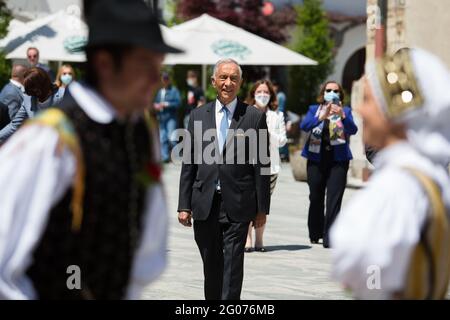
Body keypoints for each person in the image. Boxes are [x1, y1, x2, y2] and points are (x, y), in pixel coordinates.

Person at [0, 0, 182, 299]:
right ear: (105, 64)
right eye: (145, 65)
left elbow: (147, 251)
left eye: (158, 66)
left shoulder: (138, 133)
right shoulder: (49, 139)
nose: (155, 79)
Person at [331, 48, 450, 299]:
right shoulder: (430, 175)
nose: (361, 111)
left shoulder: (397, 186)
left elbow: (371, 267)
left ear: (397, 114)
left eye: (370, 101)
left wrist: (370, 286)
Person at [177, 58, 271, 300]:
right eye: (223, 77)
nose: (228, 83)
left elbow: (262, 165)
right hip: (204, 203)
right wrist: (184, 205)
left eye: (233, 78)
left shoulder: (253, 117)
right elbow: (189, 163)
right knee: (212, 265)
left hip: (239, 203)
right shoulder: (197, 116)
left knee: (232, 264)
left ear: (240, 83)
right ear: (213, 81)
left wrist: (262, 209)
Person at [300, 81, 358, 248]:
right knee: (316, 196)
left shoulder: (345, 111)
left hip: (338, 160)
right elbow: (305, 126)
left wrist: (343, 116)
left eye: (335, 91)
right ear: (323, 92)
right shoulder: (314, 109)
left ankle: (330, 237)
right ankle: (315, 231)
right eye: (328, 90)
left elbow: (353, 130)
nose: (332, 93)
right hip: (316, 159)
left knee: (334, 199)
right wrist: (321, 116)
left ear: (340, 94)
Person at [244, 80, 286, 252]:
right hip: (248, 165)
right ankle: (247, 239)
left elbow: (282, 140)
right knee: (247, 203)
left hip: (270, 167)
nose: (262, 95)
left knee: (262, 204)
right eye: (259, 92)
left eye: (266, 92)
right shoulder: (245, 113)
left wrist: (267, 131)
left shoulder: (277, 116)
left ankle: (259, 240)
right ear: (253, 94)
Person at [0, 67, 65, 143]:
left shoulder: (63, 96)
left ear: (43, 85)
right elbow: (14, 125)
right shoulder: (28, 98)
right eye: (29, 92)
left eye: (34, 91)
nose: (32, 96)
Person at [153, 71, 181, 162]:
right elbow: (155, 102)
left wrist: (167, 104)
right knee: (162, 138)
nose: (164, 81)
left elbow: (178, 103)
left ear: (169, 80)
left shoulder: (174, 90)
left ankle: (175, 156)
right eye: (163, 79)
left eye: (166, 79)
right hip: (161, 117)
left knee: (171, 137)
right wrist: (156, 105)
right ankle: (165, 158)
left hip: (171, 117)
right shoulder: (159, 91)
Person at [273, 80, 289, 162]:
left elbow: (281, 109)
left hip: (279, 118)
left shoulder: (280, 96)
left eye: (274, 86)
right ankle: (281, 154)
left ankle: (284, 155)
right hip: (276, 117)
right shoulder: (276, 95)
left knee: (281, 136)